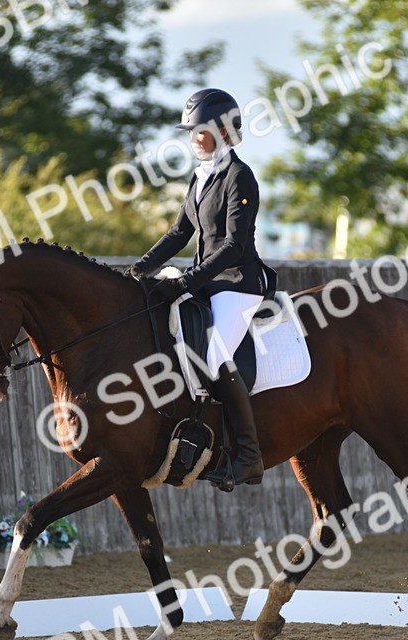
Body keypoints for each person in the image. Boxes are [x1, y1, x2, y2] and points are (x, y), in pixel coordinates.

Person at [128, 88, 270, 487]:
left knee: (215, 353)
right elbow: (179, 233)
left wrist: (188, 280)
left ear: (223, 131)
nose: (192, 139)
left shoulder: (240, 178)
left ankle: (248, 456)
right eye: (189, 132)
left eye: (198, 131)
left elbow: (234, 245)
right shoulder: (202, 175)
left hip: (238, 284)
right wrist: (140, 269)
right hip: (207, 283)